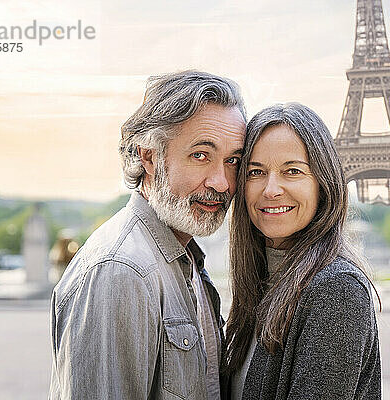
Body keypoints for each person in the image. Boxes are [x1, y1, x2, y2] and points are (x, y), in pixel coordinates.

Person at [49, 70, 246, 399]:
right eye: (200, 155)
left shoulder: (183, 259)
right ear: (148, 156)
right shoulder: (120, 271)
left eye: (233, 161)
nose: (222, 182)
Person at [224, 103, 381, 399]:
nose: (271, 189)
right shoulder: (261, 283)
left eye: (292, 171)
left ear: (323, 183)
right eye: (256, 172)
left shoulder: (336, 290)